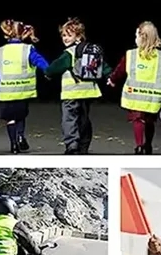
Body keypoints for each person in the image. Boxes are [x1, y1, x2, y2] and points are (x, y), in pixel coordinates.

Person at [45, 18, 112, 155]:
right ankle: (84, 145)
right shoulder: (91, 51)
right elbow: (103, 66)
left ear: (78, 36)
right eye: (63, 35)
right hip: (88, 93)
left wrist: (48, 73)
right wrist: (110, 76)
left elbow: (54, 67)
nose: (65, 38)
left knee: (69, 119)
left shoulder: (69, 54)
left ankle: (72, 145)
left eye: (69, 35)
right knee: (84, 119)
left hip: (71, 93)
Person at [108, 21, 161, 154]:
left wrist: (112, 80)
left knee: (138, 120)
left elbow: (120, 70)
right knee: (149, 122)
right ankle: (148, 144)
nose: (135, 39)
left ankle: (139, 146)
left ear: (142, 37)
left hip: (135, 96)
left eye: (136, 36)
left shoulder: (131, 55)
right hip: (153, 98)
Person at [0, 20, 50, 154]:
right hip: (23, 91)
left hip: (6, 92)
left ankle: (13, 144)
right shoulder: (27, 49)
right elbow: (39, 61)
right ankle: (20, 136)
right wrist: (48, 71)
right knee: (21, 115)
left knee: (10, 118)